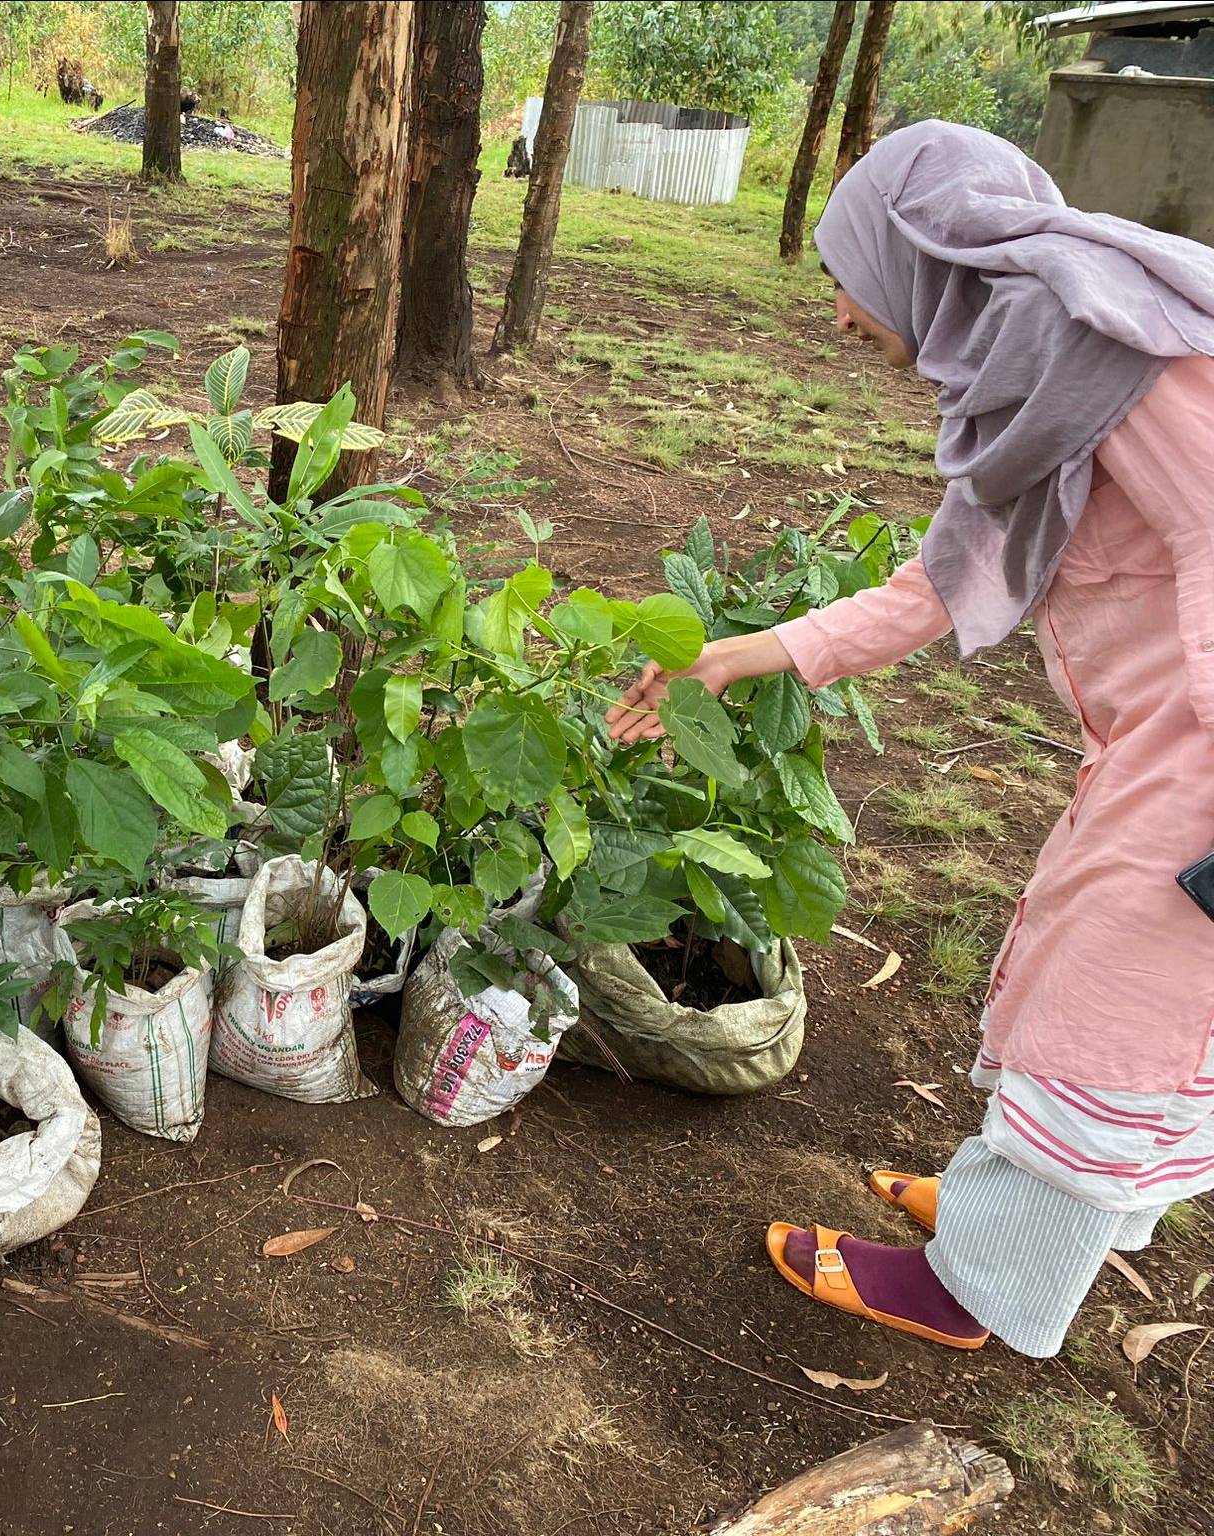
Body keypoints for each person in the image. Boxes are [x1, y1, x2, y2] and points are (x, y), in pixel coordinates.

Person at [605, 120, 1214, 1357]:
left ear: (924, 256)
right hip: (1152, 742)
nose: (837, 314)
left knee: (1104, 1022)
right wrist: (740, 656)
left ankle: (976, 1287)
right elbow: (946, 576)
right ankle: (1026, 1212)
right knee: (1095, 993)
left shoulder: (1117, 350)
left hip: (1199, 762)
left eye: (845, 274)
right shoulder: (1036, 362)